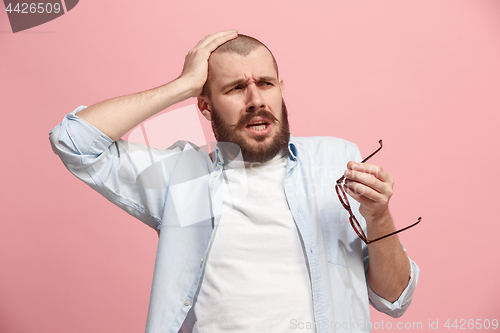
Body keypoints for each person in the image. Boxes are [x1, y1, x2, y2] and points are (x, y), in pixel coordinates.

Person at [49, 30, 419, 333]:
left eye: (266, 83)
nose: (256, 100)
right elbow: (74, 141)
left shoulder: (335, 160)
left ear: (281, 88)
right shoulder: (181, 176)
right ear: (205, 105)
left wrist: (379, 216)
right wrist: (182, 85)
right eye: (235, 88)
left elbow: (395, 298)